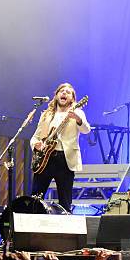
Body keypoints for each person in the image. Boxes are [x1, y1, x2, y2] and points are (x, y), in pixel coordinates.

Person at [30, 82, 91, 212]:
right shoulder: (46, 114)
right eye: (62, 91)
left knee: (65, 200)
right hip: (45, 159)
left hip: (65, 159)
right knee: (36, 197)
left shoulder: (77, 112)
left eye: (68, 92)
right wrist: (36, 144)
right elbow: (35, 136)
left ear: (73, 99)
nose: (64, 93)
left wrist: (78, 119)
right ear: (56, 95)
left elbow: (86, 129)